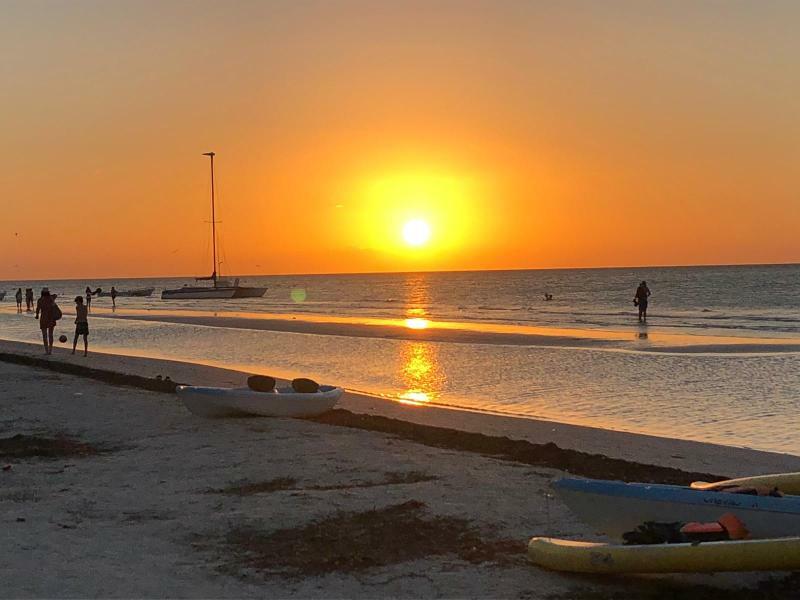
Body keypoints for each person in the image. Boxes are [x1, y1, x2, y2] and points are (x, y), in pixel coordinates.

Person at [35, 288, 60, 354]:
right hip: (51, 318)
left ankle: (46, 350)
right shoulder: (51, 298)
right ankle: (50, 350)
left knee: (44, 335)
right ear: (48, 293)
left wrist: (37, 315)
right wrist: (50, 296)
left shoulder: (40, 300)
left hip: (43, 318)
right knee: (50, 335)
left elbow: (38, 309)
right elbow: (55, 295)